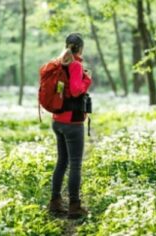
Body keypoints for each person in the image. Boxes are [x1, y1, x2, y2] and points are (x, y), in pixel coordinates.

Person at [48, 33, 92, 219]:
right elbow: (75, 90)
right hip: (72, 122)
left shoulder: (58, 63)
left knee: (62, 162)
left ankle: (55, 202)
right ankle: (74, 206)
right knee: (75, 164)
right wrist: (87, 81)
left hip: (57, 120)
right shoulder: (75, 65)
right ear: (80, 48)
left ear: (66, 45)